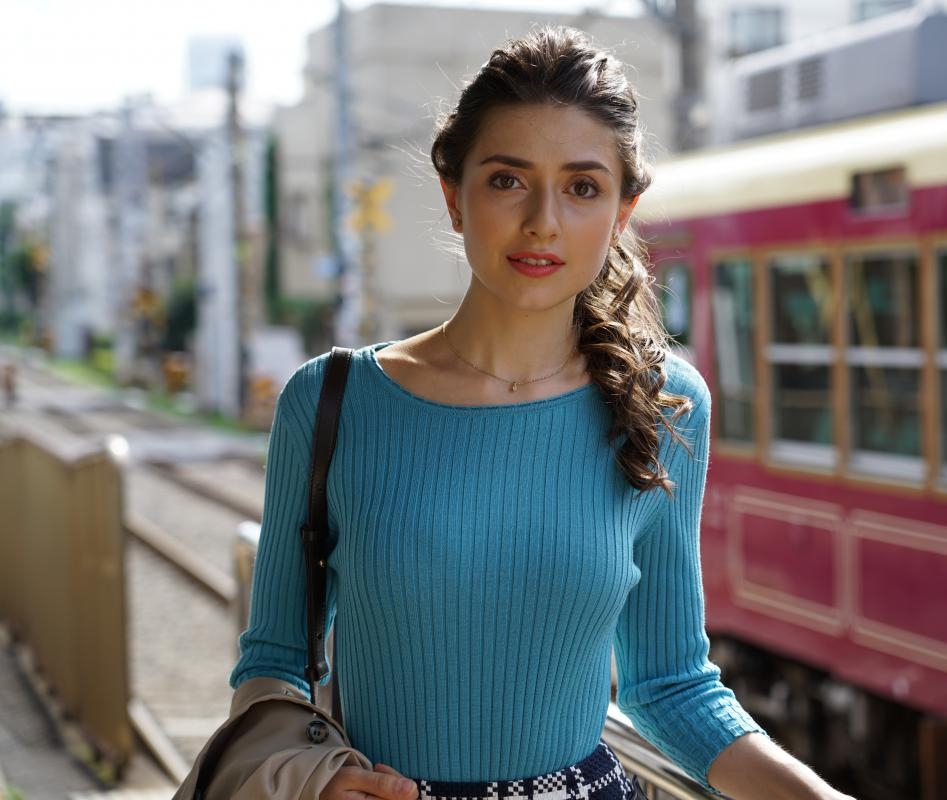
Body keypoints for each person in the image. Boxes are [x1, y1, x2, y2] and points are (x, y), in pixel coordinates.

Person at [231, 26, 854, 800]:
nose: (543, 223)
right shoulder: (329, 402)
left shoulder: (667, 405)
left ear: (624, 212)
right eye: (508, 181)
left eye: (583, 187)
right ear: (454, 196)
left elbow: (672, 687)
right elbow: (272, 664)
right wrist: (310, 782)